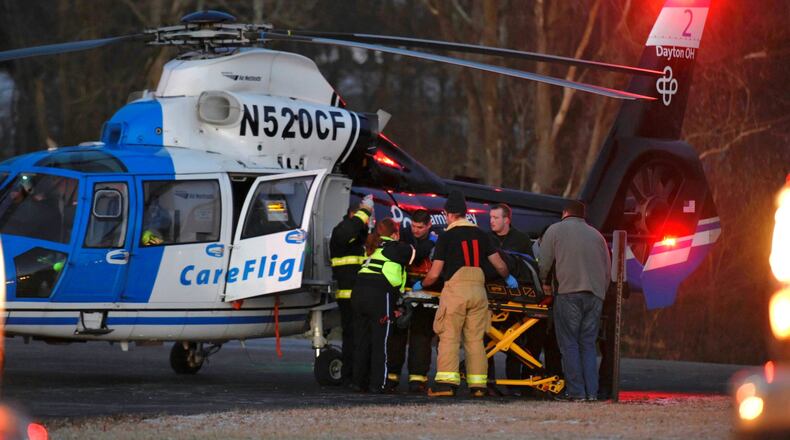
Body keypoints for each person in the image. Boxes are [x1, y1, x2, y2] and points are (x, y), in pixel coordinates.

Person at [414, 190, 518, 398]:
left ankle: (446, 384)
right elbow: (499, 264)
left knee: (449, 336)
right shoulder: (482, 234)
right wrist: (508, 278)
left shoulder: (446, 236)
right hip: (478, 292)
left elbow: (434, 273)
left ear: (449, 214)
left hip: (456, 291)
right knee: (475, 340)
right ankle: (478, 386)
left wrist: (421, 284)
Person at [539, 200, 611, 401]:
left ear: (565, 213)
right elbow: (608, 270)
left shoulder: (556, 230)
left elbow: (544, 262)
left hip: (568, 293)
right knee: (588, 344)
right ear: (583, 215)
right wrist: (600, 293)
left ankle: (576, 392)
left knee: (569, 343)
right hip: (595, 295)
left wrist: (544, 282)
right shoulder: (597, 236)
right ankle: (591, 392)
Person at [351, 218, 414, 392]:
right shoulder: (396, 248)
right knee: (382, 341)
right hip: (379, 295)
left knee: (362, 341)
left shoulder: (372, 248)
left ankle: (358, 382)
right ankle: (379, 384)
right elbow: (415, 252)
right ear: (394, 234)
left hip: (358, 294)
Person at [487, 203, 543, 393]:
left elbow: (529, 267)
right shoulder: (487, 238)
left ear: (507, 220)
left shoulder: (521, 240)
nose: (491, 221)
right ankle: (488, 384)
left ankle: (514, 385)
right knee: (486, 343)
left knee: (515, 342)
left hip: (516, 298)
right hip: (492, 298)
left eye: (495, 218)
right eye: (491, 217)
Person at [385, 209, 438, 393]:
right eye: (414, 226)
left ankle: (417, 378)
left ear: (429, 225)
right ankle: (392, 376)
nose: (416, 230)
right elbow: (415, 255)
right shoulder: (404, 236)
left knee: (421, 337)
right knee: (397, 336)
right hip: (404, 293)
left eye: (420, 227)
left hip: (427, 295)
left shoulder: (438, 240)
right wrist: (429, 243)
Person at [329, 194, 375, 386]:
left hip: (363, 296)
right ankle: (351, 376)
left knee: (363, 338)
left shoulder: (361, 237)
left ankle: (361, 376)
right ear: (353, 215)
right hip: (349, 297)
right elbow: (349, 231)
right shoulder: (342, 231)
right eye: (363, 217)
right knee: (353, 337)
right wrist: (365, 211)